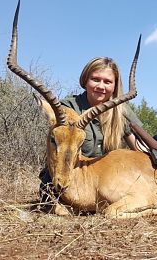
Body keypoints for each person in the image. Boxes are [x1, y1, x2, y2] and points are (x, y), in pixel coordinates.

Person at [39, 56, 143, 205]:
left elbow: (138, 147)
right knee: (49, 202)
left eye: (107, 82)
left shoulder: (121, 111)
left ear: (114, 86)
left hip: (104, 180)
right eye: (95, 79)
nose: (101, 86)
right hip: (71, 177)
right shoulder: (67, 107)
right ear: (85, 81)